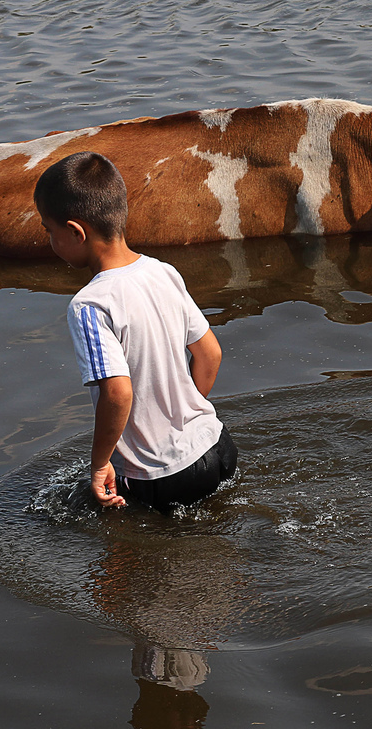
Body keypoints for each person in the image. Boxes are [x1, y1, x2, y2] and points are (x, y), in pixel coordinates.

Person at [34, 151, 237, 512]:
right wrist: (178, 416)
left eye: (50, 231)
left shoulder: (90, 305)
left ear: (76, 232)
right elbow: (210, 354)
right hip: (217, 444)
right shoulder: (163, 271)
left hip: (160, 474)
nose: (50, 242)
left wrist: (99, 464)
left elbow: (117, 393)